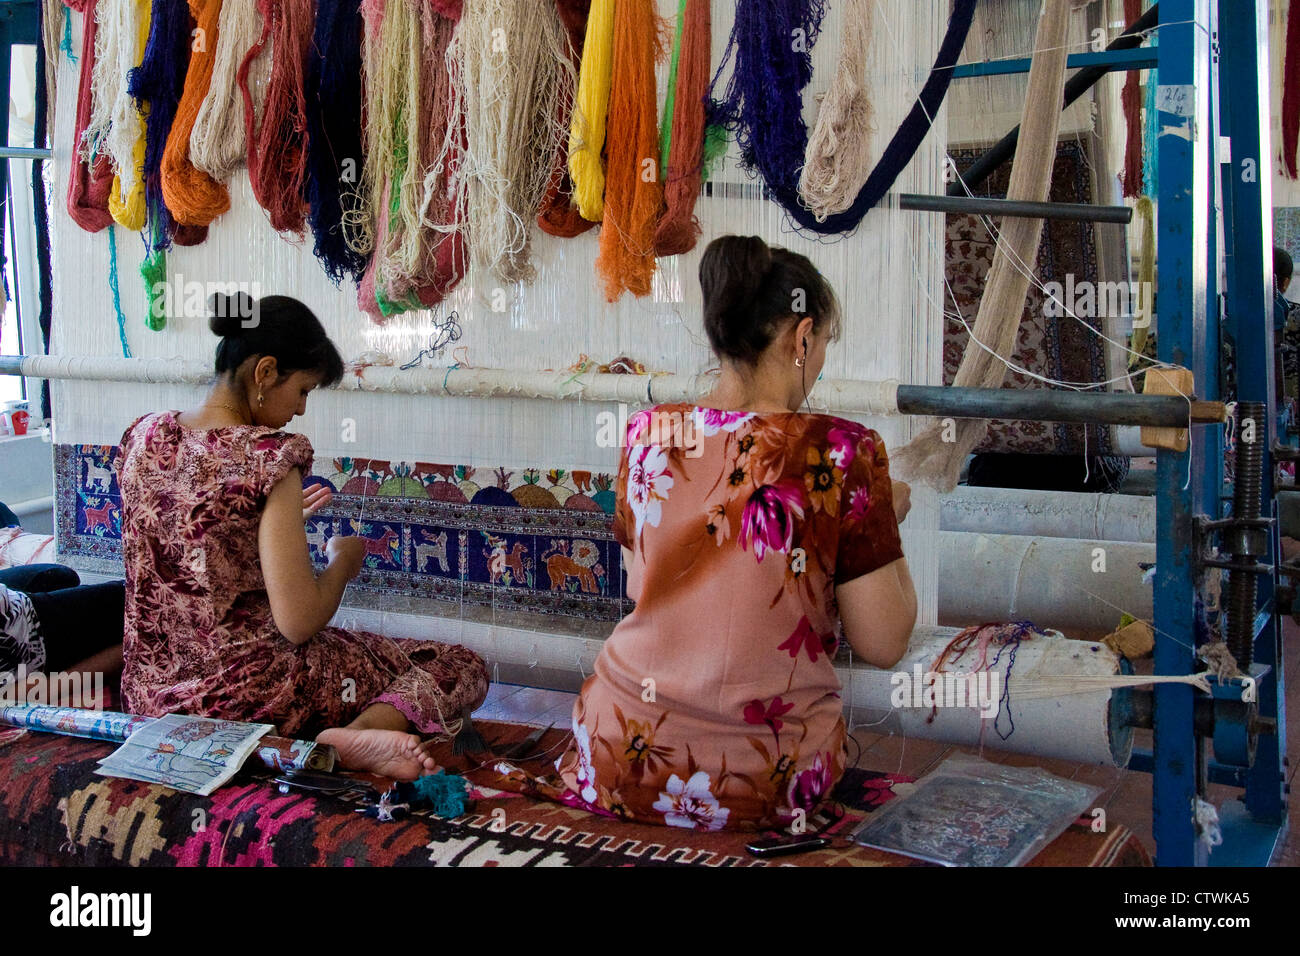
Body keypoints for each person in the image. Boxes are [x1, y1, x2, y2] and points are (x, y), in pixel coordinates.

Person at [541, 235, 917, 830]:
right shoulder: (844, 452)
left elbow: (645, 583)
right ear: (801, 337)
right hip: (769, 783)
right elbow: (885, 641)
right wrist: (886, 526)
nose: (819, 364)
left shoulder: (647, 434)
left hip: (615, 759)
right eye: (822, 346)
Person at [114, 293, 488, 780]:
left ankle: (348, 730)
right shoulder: (269, 455)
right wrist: (342, 564)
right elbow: (299, 622)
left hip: (148, 700)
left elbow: (188, 544)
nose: (302, 409)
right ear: (265, 373)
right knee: (458, 664)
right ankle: (356, 733)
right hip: (251, 699)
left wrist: (273, 528)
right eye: (304, 390)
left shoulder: (142, 436)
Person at [0, 564, 124, 697]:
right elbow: (46, 690)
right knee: (133, 602)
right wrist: (127, 652)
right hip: (25, 638)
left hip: (11, 609)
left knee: (60, 576)